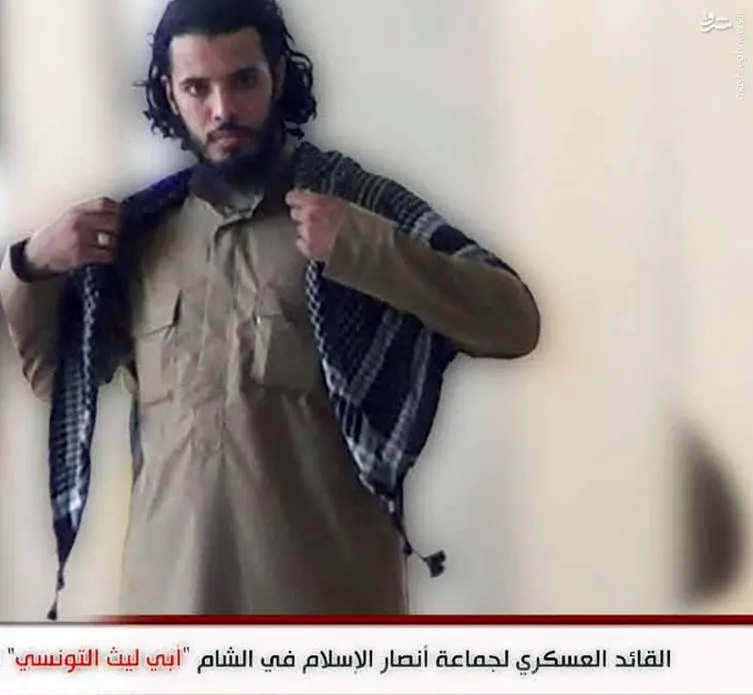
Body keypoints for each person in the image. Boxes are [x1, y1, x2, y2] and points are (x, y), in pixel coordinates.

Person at [0, 0, 540, 615]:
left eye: (243, 81)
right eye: (198, 88)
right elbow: (56, 382)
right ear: (170, 93)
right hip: (168, 608)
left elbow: (513, 322)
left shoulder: (351, 208)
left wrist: (365, 249)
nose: (223, 110)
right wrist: (31, 266)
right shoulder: (140, 239)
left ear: (278, 76)